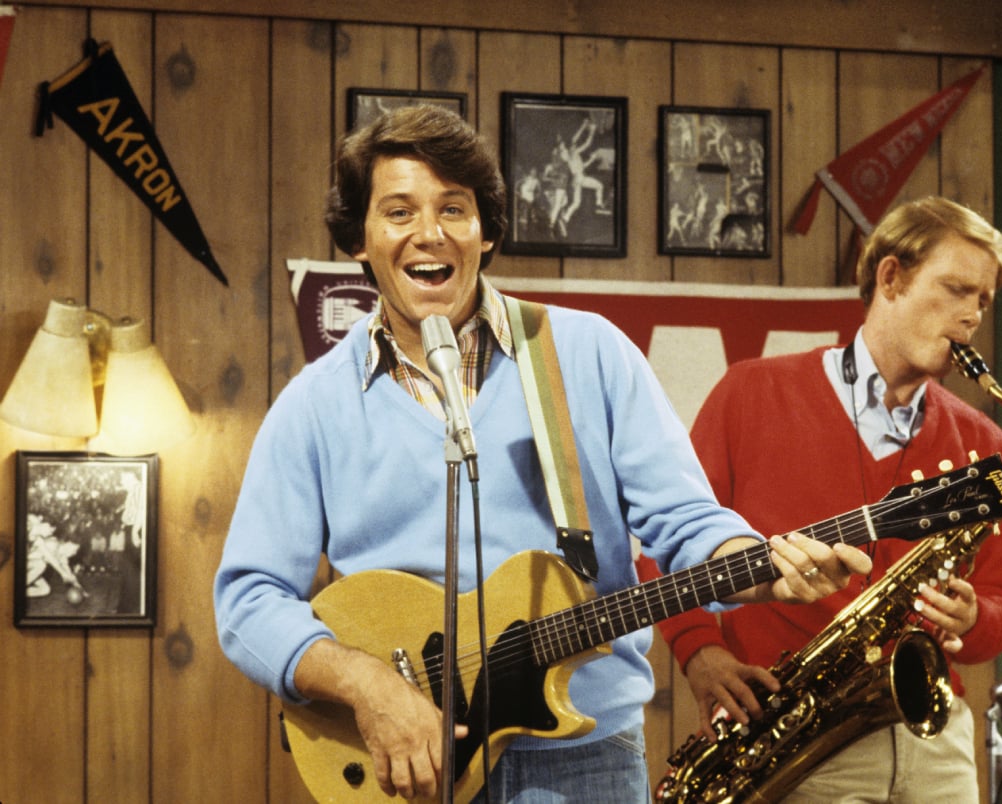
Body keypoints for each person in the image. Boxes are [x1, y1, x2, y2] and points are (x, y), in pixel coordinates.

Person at [212, 104, 871, 803]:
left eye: (454, 209)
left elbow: (682, 521)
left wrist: (764, 570)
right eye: (398, 212)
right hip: (405, 765)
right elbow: (249, 600)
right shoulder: (313, 404)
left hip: (584, 763)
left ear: (486, 231)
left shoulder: (589, 354)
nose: (428, 233)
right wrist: (369, 686)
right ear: (359, 240)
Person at [644, 196, 1002, 803]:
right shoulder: (751, 392)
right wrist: (700, 654)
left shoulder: (985, 442)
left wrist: (974, 618)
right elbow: (664, 546)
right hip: (792, 733)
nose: (972, 315)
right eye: (955, 289)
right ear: (890, 277)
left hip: (935, 739)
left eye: (982, 300)